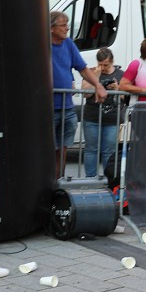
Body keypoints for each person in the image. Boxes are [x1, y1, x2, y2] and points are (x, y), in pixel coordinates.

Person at [50, 10, 106, 177]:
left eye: (67, 25)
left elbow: (82, 68)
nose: (67, 28)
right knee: (48, 151)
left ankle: (59, 185)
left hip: (67, 107)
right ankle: (46, 186)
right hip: (48, 108)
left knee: (63, 149)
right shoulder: (42, 44)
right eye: (63, 25)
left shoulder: (68, 44)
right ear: (52, 28)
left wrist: (98, 85)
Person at [82, 48, 125, 181]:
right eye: (100, 64)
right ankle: (90, 179)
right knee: (91, 150)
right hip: (92, 117)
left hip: (112, 118)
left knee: (109, 152)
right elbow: (86, 93)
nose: (103, 67)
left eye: (106, 65)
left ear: (112, 62)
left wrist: (117, 89)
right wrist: (96, 77)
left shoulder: (120, 74)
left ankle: (109, 180)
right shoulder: (90, 72)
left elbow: (124, 97)